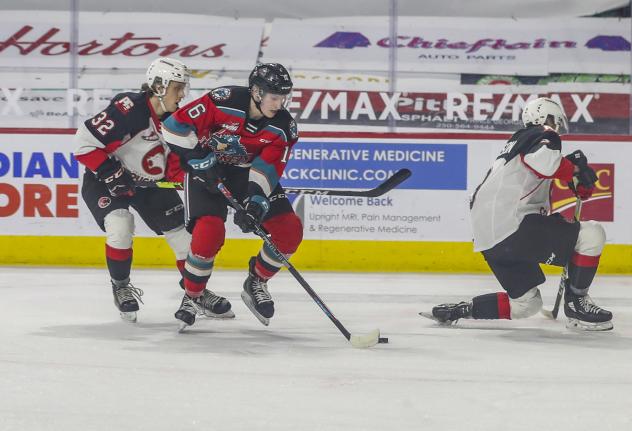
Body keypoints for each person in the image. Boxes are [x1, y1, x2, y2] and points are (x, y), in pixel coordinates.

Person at [424, 97, 612, 331]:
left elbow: (541, 171)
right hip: (512, 225)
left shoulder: (516, 147)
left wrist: (573, 177)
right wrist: (576, 170)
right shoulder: (541, 133)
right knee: (592, 234)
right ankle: (578, 305)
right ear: (546, 117)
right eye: (555, 121)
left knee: (526, 304)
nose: (557, 129)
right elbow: (543, 162)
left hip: (490, 238)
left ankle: (460, 310)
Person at [74, 57, 234, 323]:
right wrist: (111, 172)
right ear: (158, 85)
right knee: (121, 226)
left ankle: (196, 292)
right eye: (177, 87)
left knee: (185, 240)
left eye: (184, 87)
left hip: (149, 186)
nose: (182, 94)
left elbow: (175, 165)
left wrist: (200, 179)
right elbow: (83, 143)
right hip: (106, 181)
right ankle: (121, 285)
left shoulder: (176, 120)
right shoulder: (129, 109)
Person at [162, 62, 303, 329]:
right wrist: (196, 157)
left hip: (245, 175)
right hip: (206, 171)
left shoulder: (284, 126)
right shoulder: (222, 100)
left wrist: (255, 204)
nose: (280, 103)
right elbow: (173, 127)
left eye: (284, 97)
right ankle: (192, 297)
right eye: (275, 96)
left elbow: (268, 168)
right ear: (258, 93)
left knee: (289, 230)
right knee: (208, 234)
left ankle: (257, 281)